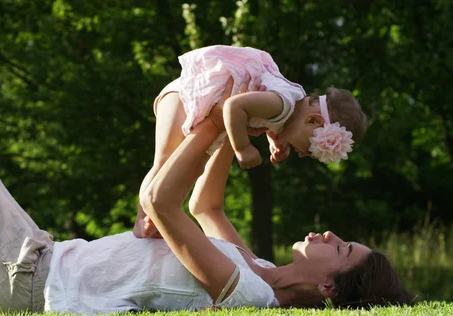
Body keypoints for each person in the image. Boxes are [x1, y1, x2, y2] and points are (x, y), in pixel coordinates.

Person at [0, 79, 408, 314]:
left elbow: (165, 204)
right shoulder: (255, 266)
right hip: (43, 258)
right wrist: (247, 121)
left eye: (341, 247)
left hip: (31, 282)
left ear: (329, 285)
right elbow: (204, 208)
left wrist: (216, 119)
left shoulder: (251, 297)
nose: (329, 234)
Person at [134, 45, 367, 238]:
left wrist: (274, 139)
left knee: (192, 169)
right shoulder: (282, 104)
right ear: (314, 121)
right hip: (186, 97)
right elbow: (235, 106)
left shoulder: (289, 106)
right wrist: (243, 147)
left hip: (201, 109)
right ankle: (142, 218)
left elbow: (265, 116)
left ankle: (158, 219)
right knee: (165, 162)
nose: (304, 154)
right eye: (309, 149)